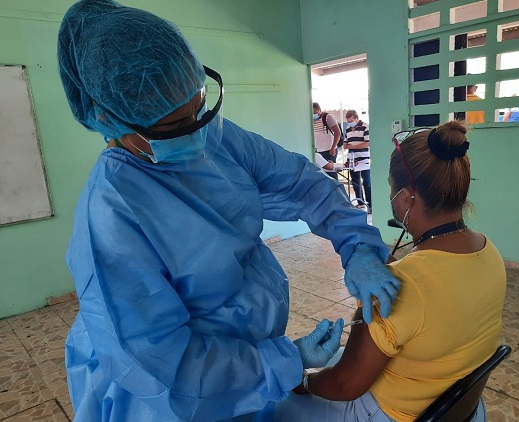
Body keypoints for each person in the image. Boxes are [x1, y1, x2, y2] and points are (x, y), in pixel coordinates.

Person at [57, 1, 400, 421]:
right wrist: (283, 361)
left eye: (199, 106)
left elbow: (302, 184)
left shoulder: (213, 136)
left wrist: (358, 246)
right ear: (110, 120)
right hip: (171, 400)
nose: (196, 132)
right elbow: (165, 366)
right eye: (173, 126)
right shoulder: (111, 213)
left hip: (247, 365)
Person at [272, 121, 506, 422]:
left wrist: (302, 381)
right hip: (459, 409)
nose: (391, 197)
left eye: (391, 189)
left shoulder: (399, 286)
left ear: (407, 197)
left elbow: (344, 384)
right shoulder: (489, 251)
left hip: (393, 415)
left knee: (276, 405)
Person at [344, 110, 372, 213]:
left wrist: (353, 146)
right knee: (355, 182)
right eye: (348, 121)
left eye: (351, 121)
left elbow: (366, 143)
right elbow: (345, 145)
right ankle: (360, 204)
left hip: (364, 159)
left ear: (356, 118)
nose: (350, 124)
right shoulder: (347, 129)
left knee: (367, 183)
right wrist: (352, 146)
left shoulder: (365, 126)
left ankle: (370, 204)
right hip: (352, 159)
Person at [313, 102, 342, 180]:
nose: (313, 114)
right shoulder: (311, 120)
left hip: (328, 150)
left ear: (319, 110)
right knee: (320, 174)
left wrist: (333, 148)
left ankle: (335, 190)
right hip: (318, 151)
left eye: (315, 112)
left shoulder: (327, 117)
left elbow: (337, 132)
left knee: (331, 174)